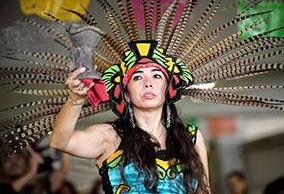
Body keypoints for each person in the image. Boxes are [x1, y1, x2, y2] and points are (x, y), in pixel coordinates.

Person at [50, 40, 210, 193]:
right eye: (138, 77)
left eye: (157, 76)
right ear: (126, 94)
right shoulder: (109, 137)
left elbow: (203, 191)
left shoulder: (191, 137)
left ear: (168, 89)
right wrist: (76, 99)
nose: (148, 83)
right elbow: (60, 141)